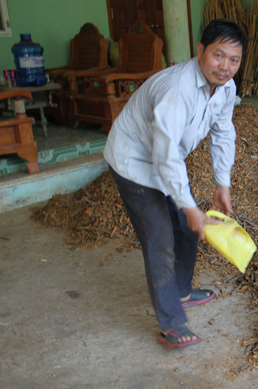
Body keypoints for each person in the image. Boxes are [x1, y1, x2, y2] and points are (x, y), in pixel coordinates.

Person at [104, 19, 247, 349]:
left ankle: (181, 291)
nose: (225, 67)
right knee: (161, 235)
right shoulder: (177, 89)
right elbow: (165, 156)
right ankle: (171, 323)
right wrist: (190, 207)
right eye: (218, 55)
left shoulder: (225, 89)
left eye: (234, 60)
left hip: (162, 161)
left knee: (185, 228)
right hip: (132, 161)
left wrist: (221, 184)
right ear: (200, 51)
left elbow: (223, 133)